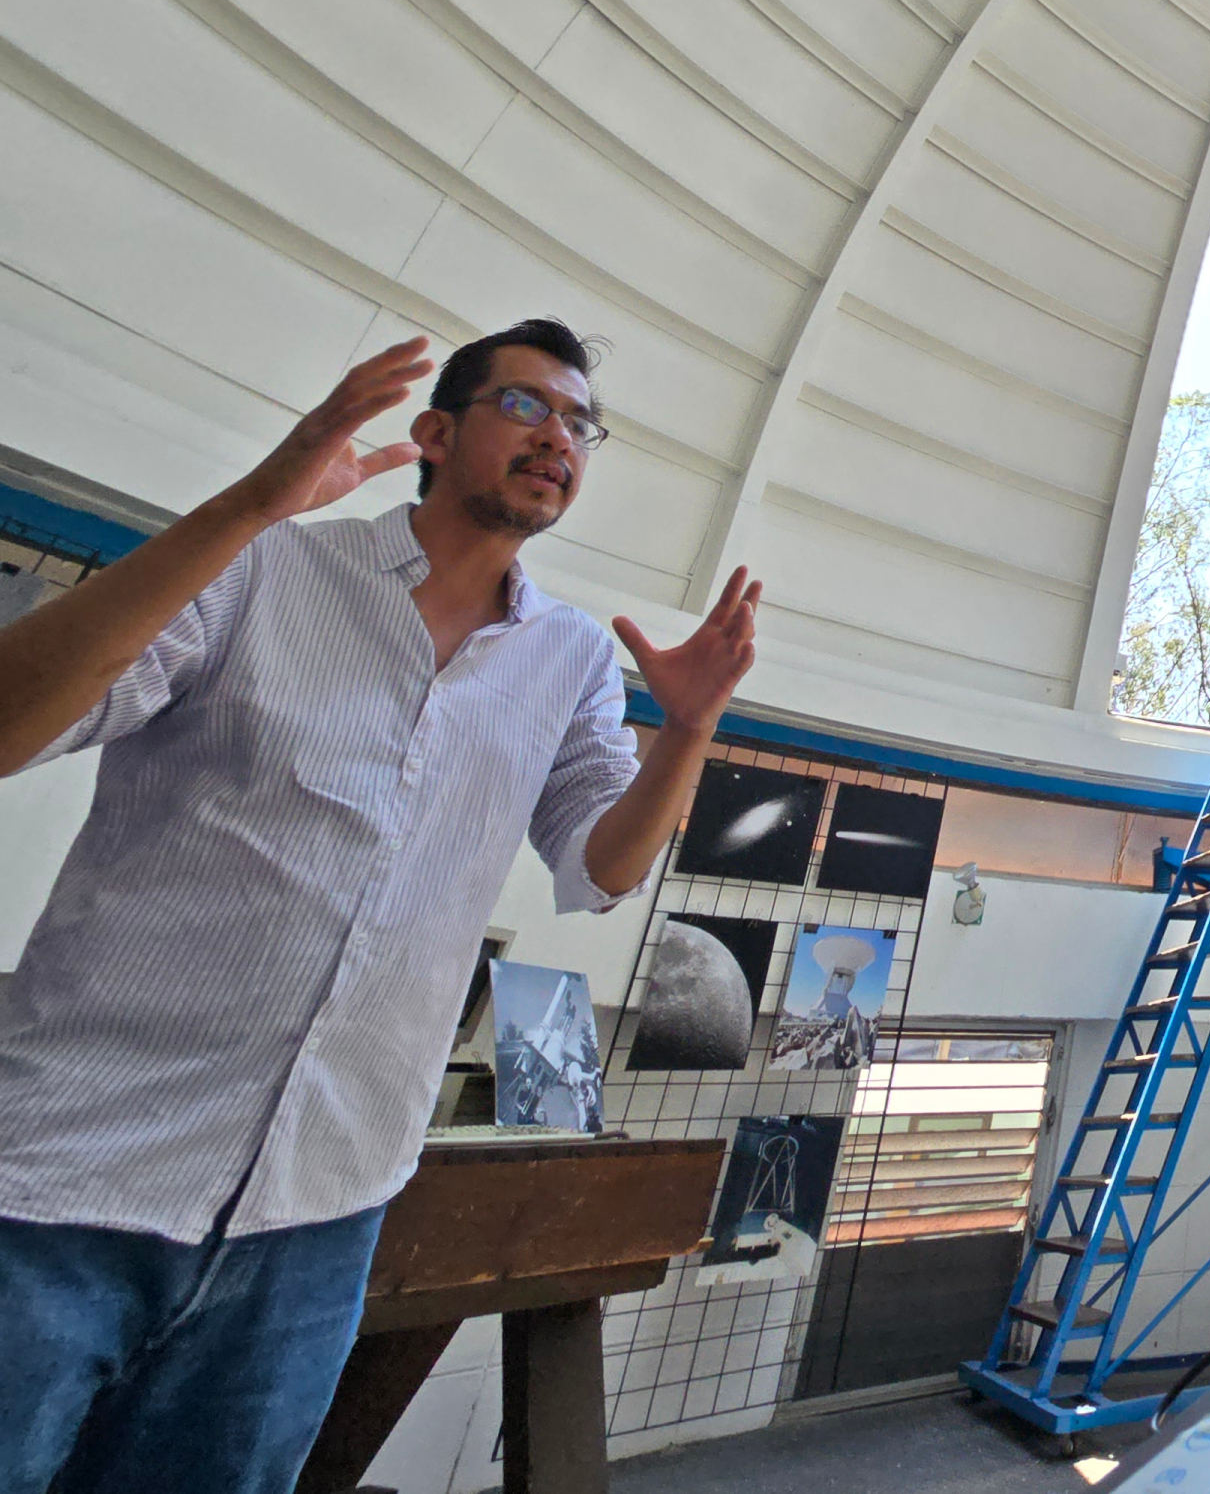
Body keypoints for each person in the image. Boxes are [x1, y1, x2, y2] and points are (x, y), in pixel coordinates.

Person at [0, 320, 762, 1494]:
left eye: (580, 424)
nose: (560, 436)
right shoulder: (264, 568)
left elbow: (602, 868)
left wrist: (693, 729)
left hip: (317, 1215)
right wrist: (251, 506)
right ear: (433, 434)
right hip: (66, 1180)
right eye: (527, 407)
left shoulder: (566, 658)